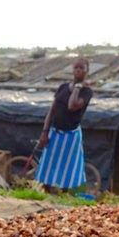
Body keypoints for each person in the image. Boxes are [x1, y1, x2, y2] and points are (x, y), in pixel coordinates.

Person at [35, 58, 94, 191]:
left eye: (82, 68)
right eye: (76, 68)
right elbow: (52, 110)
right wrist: (45, 131)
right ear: (72, 70)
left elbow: (72, 106)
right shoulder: (62, 87)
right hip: (55, 132)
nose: (78, 70)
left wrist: (78, 88)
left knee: (68, 166)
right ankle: (46, 194)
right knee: (49, 163)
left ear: (87, 71)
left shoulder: (87, 92)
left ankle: (63, 194)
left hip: (71, 135)